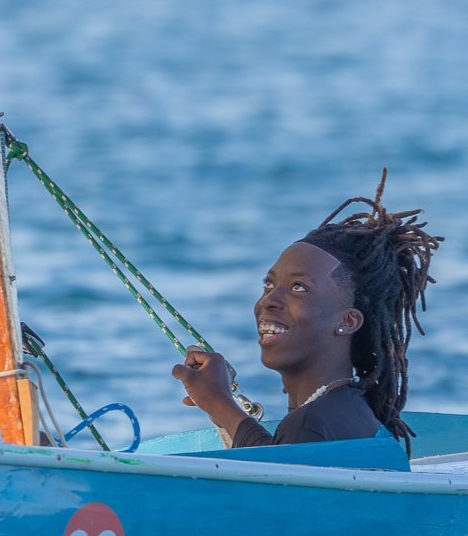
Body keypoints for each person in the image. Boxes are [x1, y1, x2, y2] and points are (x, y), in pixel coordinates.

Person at [171, 172, 441, 450]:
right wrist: (219, 407)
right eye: (269, 284)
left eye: (298, 287)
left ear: (348, 321)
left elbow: (277, 472)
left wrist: (219, 402)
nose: (269, 300)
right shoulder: (348, 407)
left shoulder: (312, 423)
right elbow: (279, 456)